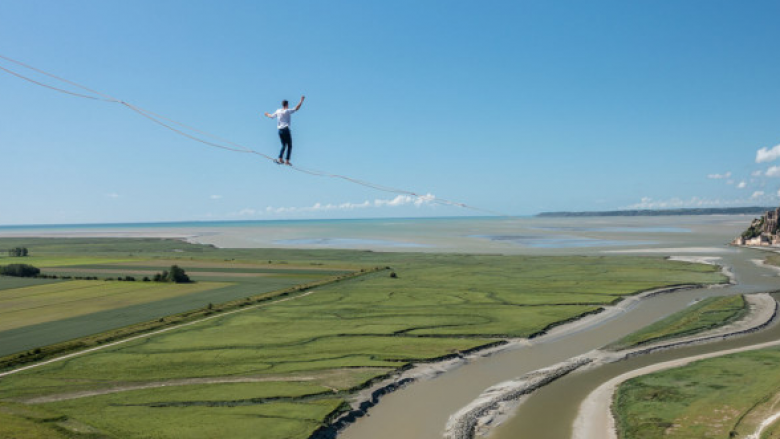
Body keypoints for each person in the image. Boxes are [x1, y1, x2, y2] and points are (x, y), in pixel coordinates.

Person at [264, 96, 305, 165]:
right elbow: (296, 108)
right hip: (286, 129)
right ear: (287, 105)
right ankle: (287, 161)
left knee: (283, 145)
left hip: (280, 131)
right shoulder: (287, 111)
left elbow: (271, 116)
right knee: (289, 145)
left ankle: (280, 158)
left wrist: (267, 114)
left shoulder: (278, 111)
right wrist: (301, 101)